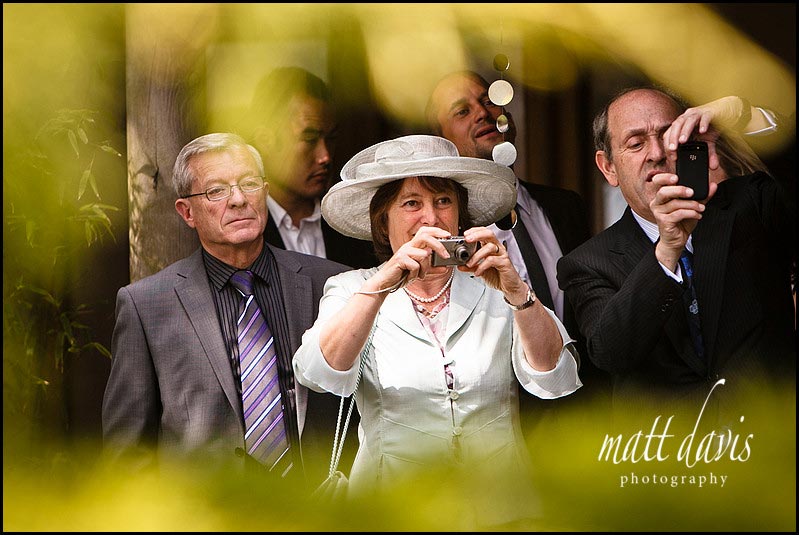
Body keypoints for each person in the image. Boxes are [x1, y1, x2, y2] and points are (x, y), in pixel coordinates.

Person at [292, 135, 582, 528]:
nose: (431, 217)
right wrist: (387, 278)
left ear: (460, 215)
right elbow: (319, 373)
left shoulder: (495, 287)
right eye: (412, 203)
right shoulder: (353, 289)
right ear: (384, 221)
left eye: (443, 201)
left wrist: (517, 290)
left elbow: (556, 377)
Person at [102, 133, 350, 484]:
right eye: (216, 191)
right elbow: (127, 455)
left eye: (248, 184)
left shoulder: (329, 283)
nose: (238, 200)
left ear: (264, 192)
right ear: (187, 212)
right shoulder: (147, 305)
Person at [556, 87, 795, 417]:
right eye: (636, 143)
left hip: (771, 439)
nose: (656, 153)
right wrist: (667, 250)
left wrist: (746, 116)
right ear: (608, 167)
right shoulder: (586, 263)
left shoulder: (751, 204)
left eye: (669, 135)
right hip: (666, 456)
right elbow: (611, 352)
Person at [426, 69, 608, 424]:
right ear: (441, 137)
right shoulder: (444, 235)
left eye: (487, 100)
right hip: (503, 429)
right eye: (462, 111)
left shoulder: (564, 206)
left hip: (585, 418)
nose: (482, 112)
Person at [248, 66, 377, 268]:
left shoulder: (352, 225)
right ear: (265, 140)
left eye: (331, 138)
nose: (325, 156)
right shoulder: (242, 228)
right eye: (309, 138)